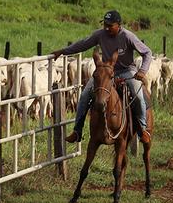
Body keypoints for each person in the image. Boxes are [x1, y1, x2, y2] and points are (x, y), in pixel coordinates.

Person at [50, 10, 152, 144]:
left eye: (110, 25)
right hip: (106, 72)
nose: (107, 28)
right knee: (85, 95)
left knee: (137, 95)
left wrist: (142, 71)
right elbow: (82, 44)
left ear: (119, 25)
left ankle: (143, 131)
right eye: (105, 25)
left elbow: (147, 52)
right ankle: (77, 131)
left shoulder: (128, 36)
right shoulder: (100, 34)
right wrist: (63, 51)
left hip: (127, 71)